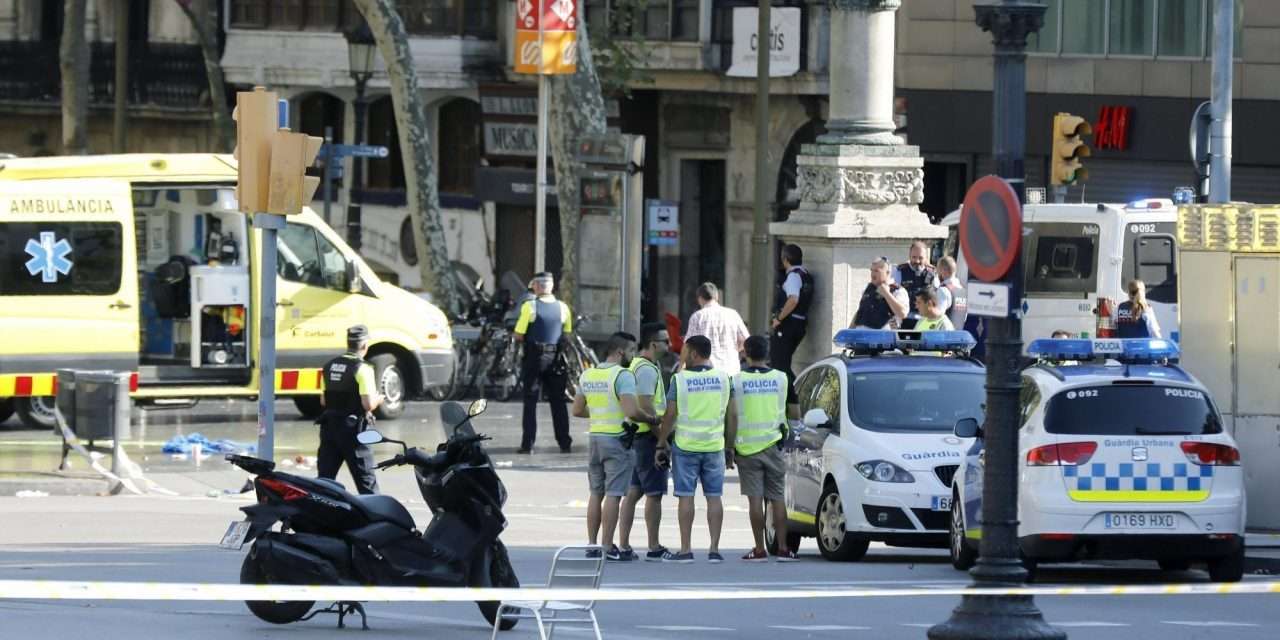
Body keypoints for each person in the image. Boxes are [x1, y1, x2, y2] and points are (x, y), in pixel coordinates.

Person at [572, 332, 659, 561]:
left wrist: (601, 413)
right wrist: (650, 419)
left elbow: (578, 410)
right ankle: (608, 547)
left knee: (595, 493)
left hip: (595, 438)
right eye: (631, 351)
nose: (633, 355)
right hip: (618, 440)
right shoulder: (623, 375)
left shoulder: (588, 374)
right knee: (614, 494)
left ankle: (592, 544)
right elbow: (631, 411)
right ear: (620, 352)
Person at [656, 335, 733, 564]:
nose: (682, 354)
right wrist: (730, 446)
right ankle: (714, 550)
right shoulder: (724, 379)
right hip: (714, 446)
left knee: (686, 497)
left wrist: (661, 442)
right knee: (714, 497)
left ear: (694, 354)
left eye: (685, 351)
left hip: (686, 447)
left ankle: (686, 550)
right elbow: (732, 414)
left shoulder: (680, 380)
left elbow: (670, 415)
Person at [729, 336, 795, 562]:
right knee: (777, 498)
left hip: (746, 448)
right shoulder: (781, 378)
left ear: (745, 353)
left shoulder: (736, 381)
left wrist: (729, 447)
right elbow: (793, 412)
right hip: (773, 444)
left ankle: (759, 549)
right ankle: (784, 548)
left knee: (754, 500)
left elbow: (733, 415)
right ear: (767, 354)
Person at [618, 323, 673, 561]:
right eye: (666, 341)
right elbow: (646, 404)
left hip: (635, 436)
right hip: (647, 438)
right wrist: (661, 438)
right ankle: (653, 546)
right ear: (653, 344)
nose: (670, 345)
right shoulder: (647, 369)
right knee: (654, 493)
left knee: (634, 492)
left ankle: (624, 545)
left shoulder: (638, 365)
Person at [317, 325, 383, 495]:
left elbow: (324, 400)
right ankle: (376, 519)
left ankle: (319, 518)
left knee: (324, 482)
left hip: (330, 429)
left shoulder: (328, 366)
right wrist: (379, 399)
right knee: (366, 483)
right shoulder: (362, 368)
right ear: (364, 346)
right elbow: (368, 404)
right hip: (354, 433)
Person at [513, 272, 574, 454]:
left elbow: (519, 334)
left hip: (534, 357)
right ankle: (564, 442)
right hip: (556, 358)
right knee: (558, 401)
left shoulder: (529, 306)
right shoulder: (563, 308)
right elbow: (567, 333)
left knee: (530, 401)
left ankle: (528, 444)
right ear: (552, 286)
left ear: (537, 286)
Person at [770, 244, 812, 416]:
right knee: (782, 365)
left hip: (788, 326)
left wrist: (778, 318)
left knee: (780, 366)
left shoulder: (793, 277)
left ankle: (796, 400)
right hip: (799, 325)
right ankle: (790, 403)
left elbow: (793, 300)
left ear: (785, 260)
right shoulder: (806, 275)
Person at [684, 282, 750, 375]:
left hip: (707, 373)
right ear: (717, 297)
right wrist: (734, 349)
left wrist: (681, 367)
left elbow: (688, 345)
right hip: (731, 370)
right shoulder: (732, 314)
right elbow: (746, 340)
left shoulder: (697, 317)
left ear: (699, 299)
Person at [851, 258, 910, 329]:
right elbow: (861, 312)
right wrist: (849, 330)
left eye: (876, 271)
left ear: (887, 273)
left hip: (884, 337)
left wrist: (886, 294)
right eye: (871, 270)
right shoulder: (868, 289)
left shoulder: (898, 290)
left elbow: (902, 313)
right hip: (862, 337)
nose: (872, 274)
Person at [937, 256, 967, 330]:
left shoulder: (943, 290)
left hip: (945, 337)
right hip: (959, 337)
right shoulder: (963, 291)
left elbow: (938, 316)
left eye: (938, 270)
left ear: (942, 270)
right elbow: (964, 317)